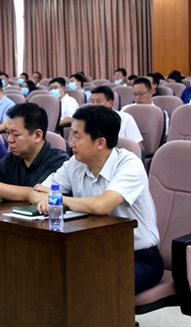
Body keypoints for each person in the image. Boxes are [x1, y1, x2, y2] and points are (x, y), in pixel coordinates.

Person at [29, 105, 162, 294]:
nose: (71, 143)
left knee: (91, 286)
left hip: (138, 258)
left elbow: (102, 205)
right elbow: (36, 193)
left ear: (100, 143)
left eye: (77, 136)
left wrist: (58, 198)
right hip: (92, 251)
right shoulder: (75, 164)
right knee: (44, 272)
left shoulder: (130, 164)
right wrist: (50, 196)